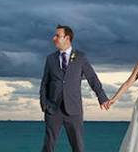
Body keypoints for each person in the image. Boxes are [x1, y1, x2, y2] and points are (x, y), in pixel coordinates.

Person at [39, 24, 109, 152]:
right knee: (48, 146)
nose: (54, 38)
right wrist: (44, 104)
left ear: (67, 38)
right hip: (53, 110)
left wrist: (102, 97)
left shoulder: (80, 57)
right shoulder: (50, 59)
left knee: (78, 146)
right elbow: (44, 84)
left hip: (73, 110)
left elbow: (92, 78)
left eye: (57, 36)